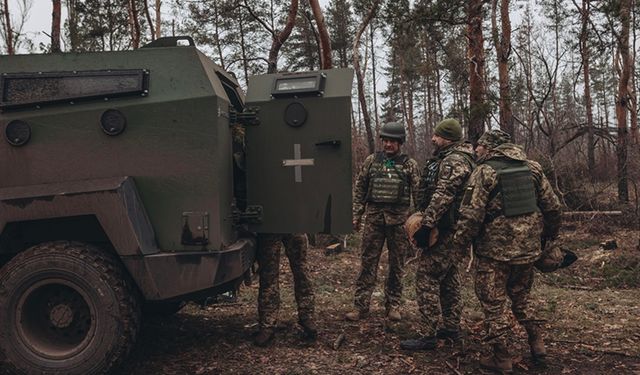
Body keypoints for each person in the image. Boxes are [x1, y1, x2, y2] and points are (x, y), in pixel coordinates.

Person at [452, 129, 562, 372]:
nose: (476, 150)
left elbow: (470, 216)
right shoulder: (533, 169)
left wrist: (458, 249)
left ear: (490, 148)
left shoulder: (484, 171)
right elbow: (553, 208)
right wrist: (547, 238)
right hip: (527, 251)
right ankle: (537, 344)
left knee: (493, 304)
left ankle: (502, 358)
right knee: (522, 297)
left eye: (480, 146)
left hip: (494, 254)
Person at [400, 118, 475, 351]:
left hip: (446, 230)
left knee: (427, 276)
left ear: (448, 138)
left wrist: (426, 226)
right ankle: (451, 327)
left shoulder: (454, 161)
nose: (433, 138)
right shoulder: (447, 158)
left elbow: (444, 194)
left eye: (437, 135)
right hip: (449, 229)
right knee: (449, 277)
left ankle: (427, 334)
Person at [345, 122, 420, 322]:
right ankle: (360, 306)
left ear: (400, 143)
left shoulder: (409, 164)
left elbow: (418, 194)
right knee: (367, 264)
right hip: (374, 220)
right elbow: (360, 188)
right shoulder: (371, 161)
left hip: (398, 222)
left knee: (396, 266)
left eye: (392, 141)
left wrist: (420, 221)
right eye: (385, 141)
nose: (388, 145)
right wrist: (356, 214)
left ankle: (393, 304)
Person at [254, 233, 316, 347]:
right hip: (270, 228)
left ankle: (307, 316)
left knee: (302, 271)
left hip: (294, 224)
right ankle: (267, 325)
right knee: (268, 274)